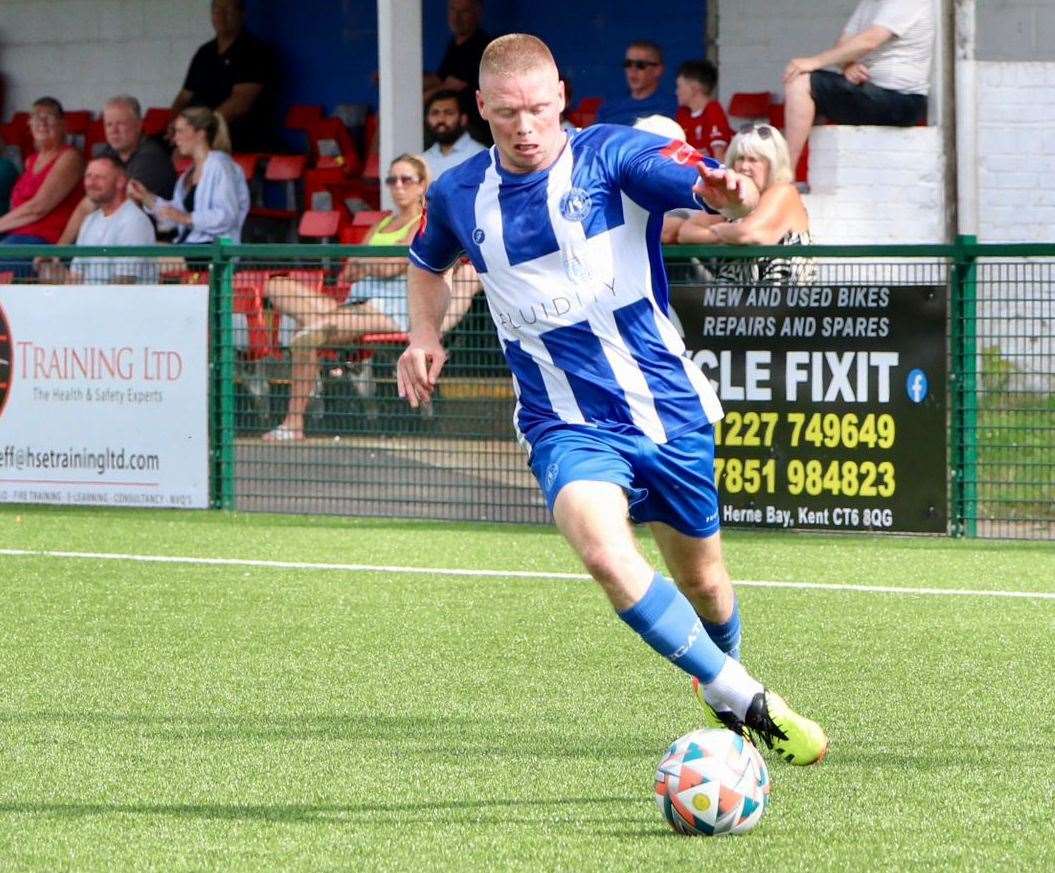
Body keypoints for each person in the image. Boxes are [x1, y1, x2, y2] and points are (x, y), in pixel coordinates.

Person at [399, 33, 829, 765]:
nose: (525, 127)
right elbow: (426, 260)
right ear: (480, 108)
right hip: (561, 421)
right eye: (506, 114)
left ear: (560, 95)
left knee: (705, 582)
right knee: (603, 551)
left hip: (665, 408)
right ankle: (744, 696)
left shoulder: (610, 155)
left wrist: (719, 189)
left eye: (537, 109)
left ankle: (722, 684)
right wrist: (421, 332)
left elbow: (688, 173)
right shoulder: (457, 193)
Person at [262, 154, 478, 442]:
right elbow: (351, 269)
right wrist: (373, 264)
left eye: (405, 180)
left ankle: (293, 423)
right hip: (356, 302)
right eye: (392, 180)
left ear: (421, 185)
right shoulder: (382, 223)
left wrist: (370, 264)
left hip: (393, 308)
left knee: (305, 338)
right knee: (277, 287)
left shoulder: (422, 222)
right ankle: (327, 329)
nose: (397, 186)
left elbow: (388, 268)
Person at [782, 0, 935, 168]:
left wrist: (815, 62)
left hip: (901, 100)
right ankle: (808, 175)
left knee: (802, 82)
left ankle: (784, 174)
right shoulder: (869, 4)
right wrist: (848, 65)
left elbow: (870, 41)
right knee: (807, 87)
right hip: (873, 94)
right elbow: (842, 45)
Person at [675, 124, 816, 286]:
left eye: (753, 160)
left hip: (783, 302)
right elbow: (686, 232)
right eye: (740, 158)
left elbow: (748, 233)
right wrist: (726, 234)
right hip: (736, 303)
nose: (744, 167)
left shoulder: (784, 192)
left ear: (773, 164)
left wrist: (723, 231)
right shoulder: (736, 201)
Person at [56, 94, 178, 246]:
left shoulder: (151, 157)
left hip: (151, 245)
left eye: (121, 124)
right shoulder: (109, 153)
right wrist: (58, 251)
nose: (114, 131)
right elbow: (87, 204)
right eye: (109, 125)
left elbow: (123, 204)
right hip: (116, 238)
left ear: (139, 125)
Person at [128, 108, 250, 244]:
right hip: (191, 246)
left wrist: (186, 218)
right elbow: (174, 216)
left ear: (200, 134)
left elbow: (226, 216)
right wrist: (145, 197)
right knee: (146, 249)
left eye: (180, 131)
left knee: (155, 257)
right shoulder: (188, 173)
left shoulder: (220, 166)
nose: (175, 138)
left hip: (217, 251)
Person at [171, 0, 275, 153]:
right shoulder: (204, 53)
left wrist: (202, 128)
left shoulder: (254, 51)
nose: (221, 15)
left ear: (242, 14)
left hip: (235, 133)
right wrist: (176, 125)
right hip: (196, 130)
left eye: (228, 9)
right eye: (216, 10)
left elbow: (240, 103)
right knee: (155, 147)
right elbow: (183, 97)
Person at [36, 155, 157, 285]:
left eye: (99, 177)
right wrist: (52, 269)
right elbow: (76, 278)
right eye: (88, 176)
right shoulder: (90, 220)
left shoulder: (133, 221)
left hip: (125, 304)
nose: (90, 183)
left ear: (120, 182)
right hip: (90, 302)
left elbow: (124, 283)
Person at [0, 97, 84, 246]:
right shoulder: (30, 161)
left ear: (63, 124)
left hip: (44, 239)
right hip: (15, 236)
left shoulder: (69, 157)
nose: (42, 122)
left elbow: (37, 208)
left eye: (49, 117)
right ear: (29, 123)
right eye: (36, 117)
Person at [424, 0, 491, 145]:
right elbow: (440, 79)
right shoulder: (455, 44)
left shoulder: (481, 46)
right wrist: (393, 78)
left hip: (472, 127)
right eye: (453, 10)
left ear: (477, 13)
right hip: (447, 122)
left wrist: (418, 99)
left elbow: (453, 85)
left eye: (464, 12)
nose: (456, 17)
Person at [597, 41, 678, 127]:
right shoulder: (610, 107)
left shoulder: (672, 107)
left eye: (640, 65)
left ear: (658, 70)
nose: (632, 70)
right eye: (628, 64)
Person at [675, 60, 734, 161]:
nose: (676, 92)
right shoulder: (683, 113)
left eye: (679, 86)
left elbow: (719, 160)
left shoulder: (713, 110)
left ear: (694, 89)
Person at [422, 90, 487, 181]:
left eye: (449, 113)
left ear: (463, 119)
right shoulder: (423, 159)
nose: (441, 120)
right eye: (435, 113)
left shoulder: (480, 155)